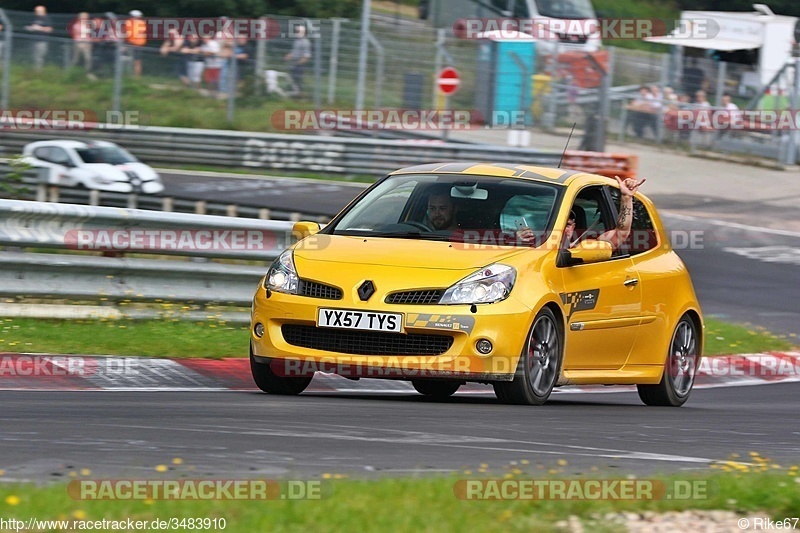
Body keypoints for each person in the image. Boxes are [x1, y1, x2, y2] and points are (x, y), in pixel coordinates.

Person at [517, 176, 646, 250]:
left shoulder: (585, 247)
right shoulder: (534, 246)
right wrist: (519, 242)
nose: (562, 229)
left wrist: (626, 198)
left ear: (574, 227)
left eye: (567, 224)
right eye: (558, 223)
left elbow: (621, 233)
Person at [284, 24, 311, 96]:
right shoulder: (297, 41)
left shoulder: (305, 42)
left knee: (297, 81)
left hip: (299, 65)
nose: (296, 32)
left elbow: (306, 56)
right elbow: (294, 52)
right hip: (293, 64)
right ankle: (293, 94)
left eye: (298, 31)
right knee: (292, 80)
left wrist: (298, 63)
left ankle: (298, 95)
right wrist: (289, 55)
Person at [25, 5, 53, 72]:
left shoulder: (47, 18)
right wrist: (30, 28)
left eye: (38, 11)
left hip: (42, 41)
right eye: (36, 11)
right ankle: (34, 68)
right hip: (34, 40)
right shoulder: (35, 18)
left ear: (43, 11)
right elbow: (30, 26)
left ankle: (38, 70)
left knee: (39, 56)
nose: (36, 12)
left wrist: (40, 28)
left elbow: (50, 29)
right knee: (33, 55)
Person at [69, 12, 94, 78]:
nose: (86, 18)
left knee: (88, 58)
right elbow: (75, 36)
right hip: (78, 44)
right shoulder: (76, 25)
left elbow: (88, 35)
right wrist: (79, 44)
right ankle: (71, 71)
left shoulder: (88, 25)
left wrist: (90, 43)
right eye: (84, 17)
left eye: (86, 17)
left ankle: (88, 73)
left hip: (87, 44)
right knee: (75, 59)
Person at [124, 10, 147, 77]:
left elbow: (128, 34)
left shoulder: (130, 23)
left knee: (135, 61)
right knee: (137, 61)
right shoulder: (142, 23)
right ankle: (135, 76)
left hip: (133, 44)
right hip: (139, 44)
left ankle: (135, 76)